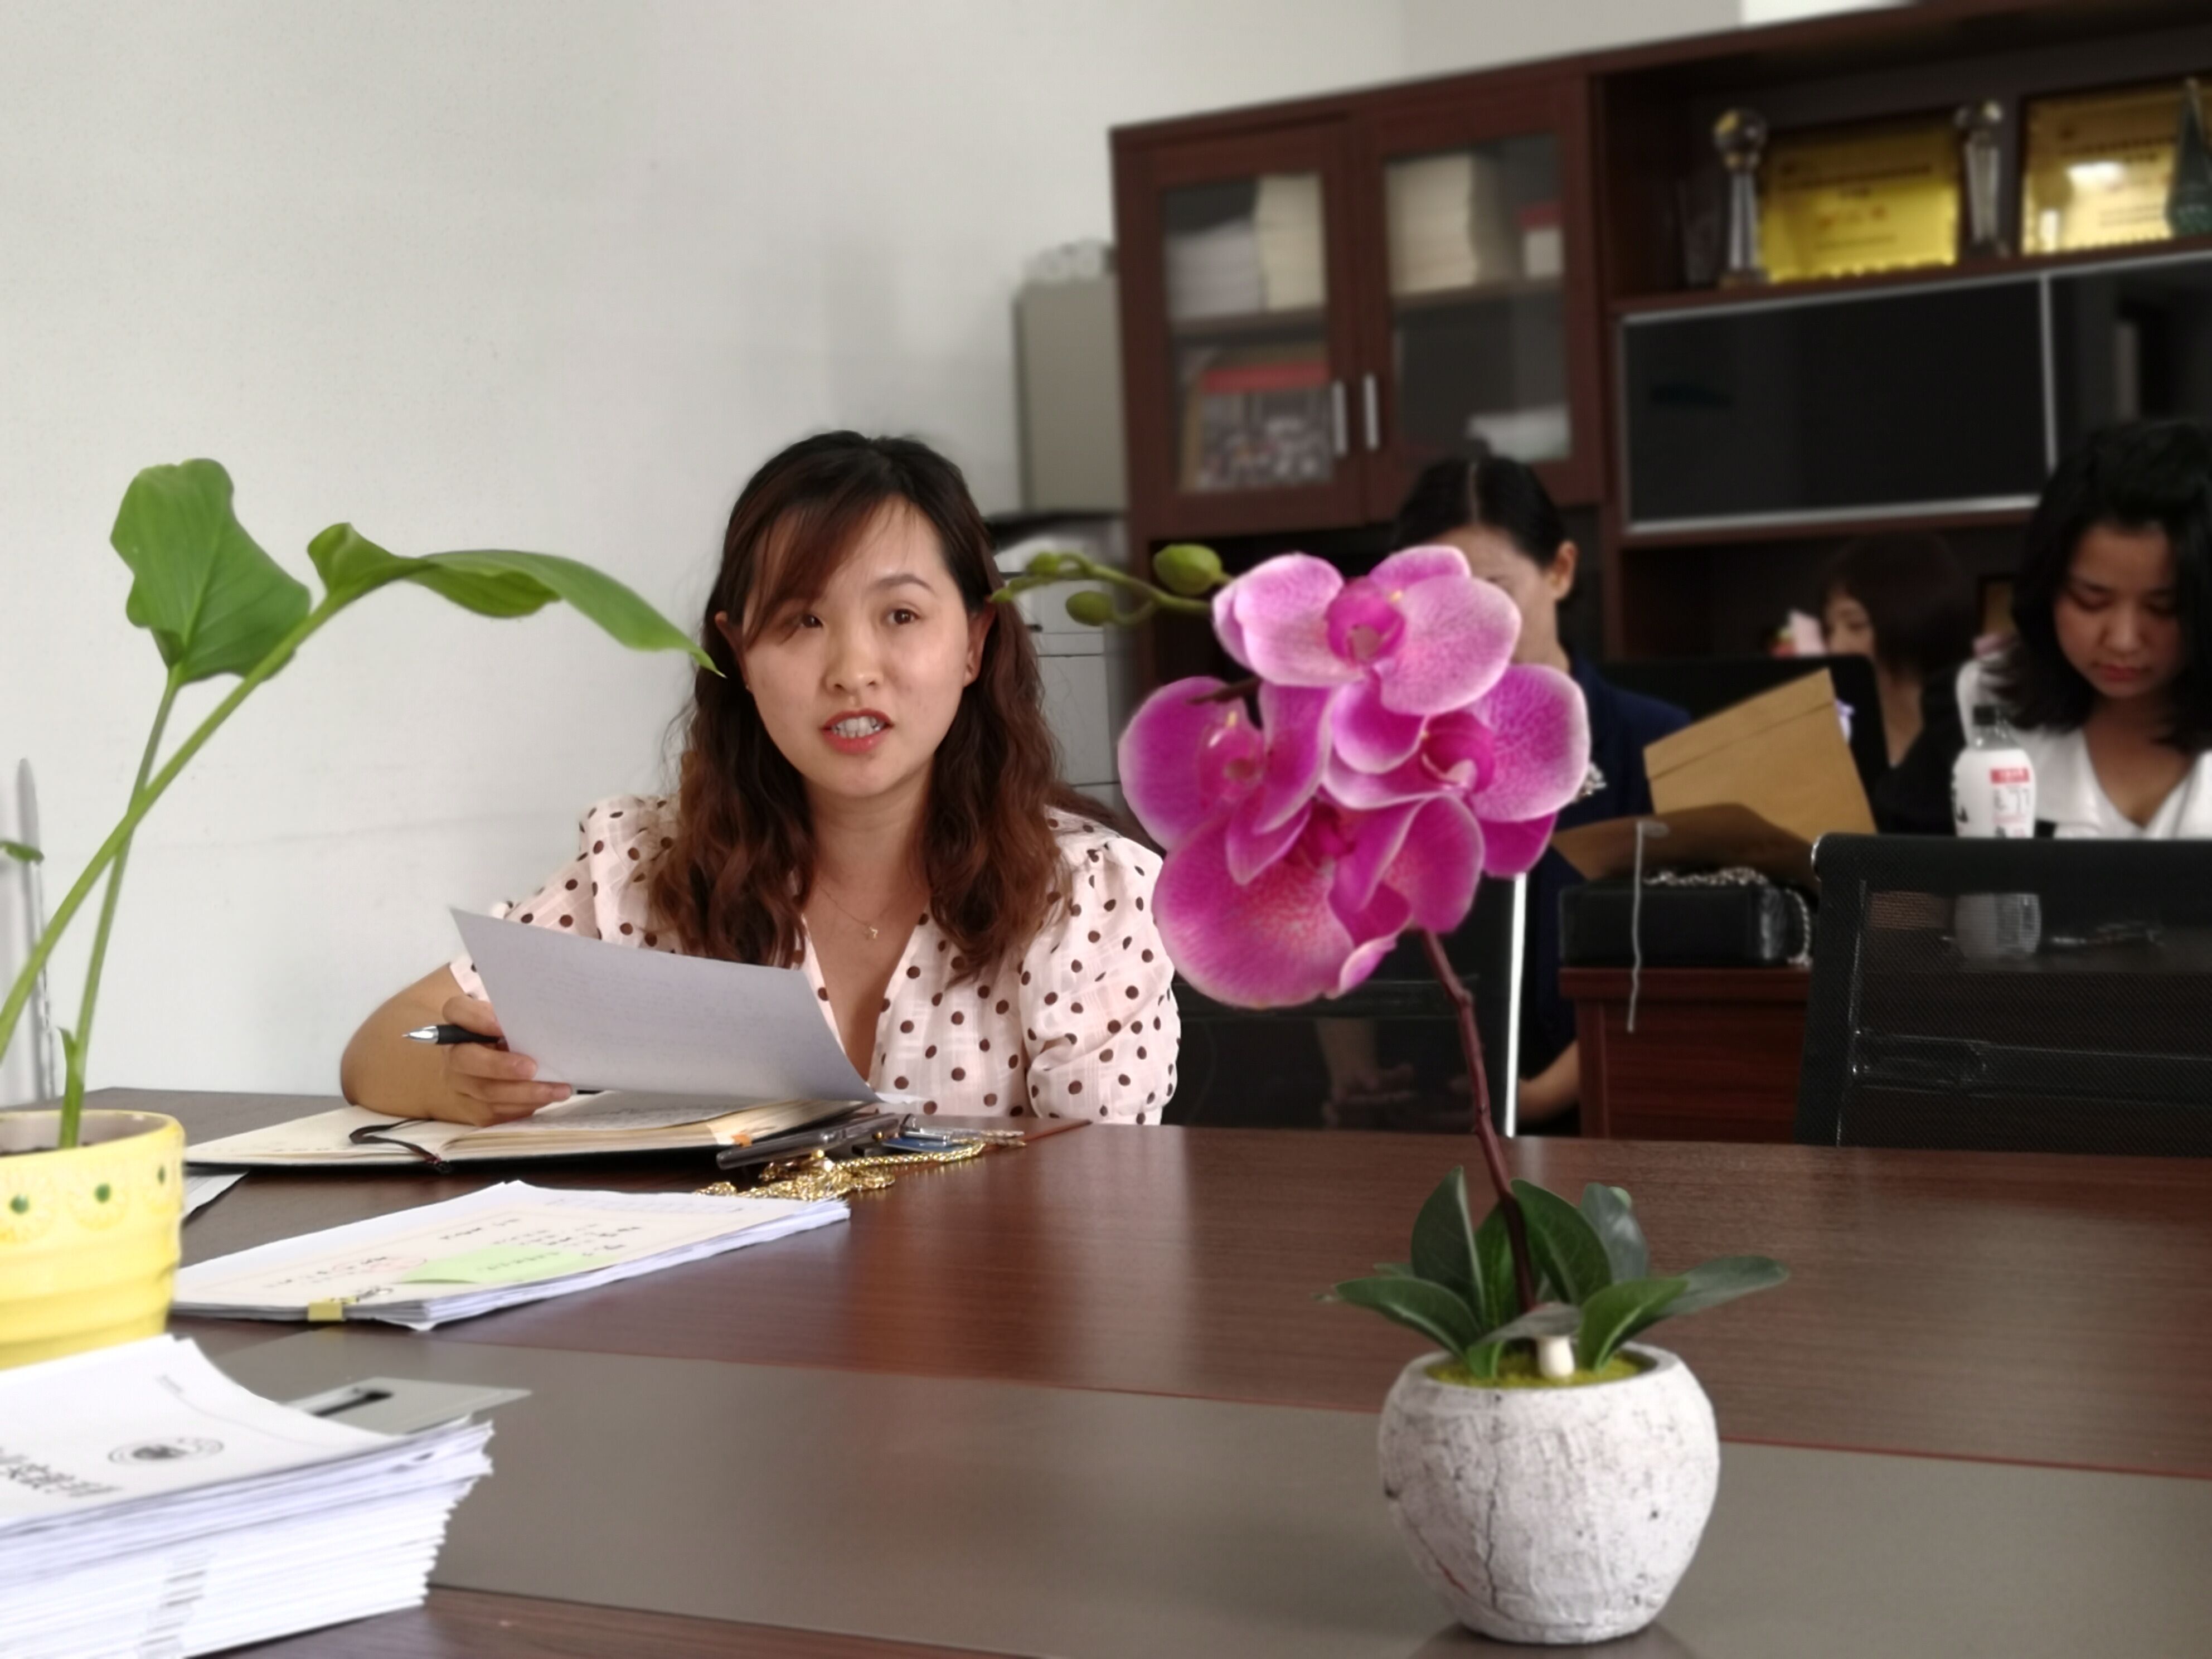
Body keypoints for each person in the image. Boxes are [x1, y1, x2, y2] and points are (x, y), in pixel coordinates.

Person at [342, 433, 1181, 1125]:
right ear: (740, 653)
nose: (853, 670)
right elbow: (383, 1045)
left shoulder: (1087, 899)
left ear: (974, 643)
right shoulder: (642, 871)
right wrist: (455, 1080)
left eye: (900, 615)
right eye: (803, 620)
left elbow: (1105, 1199)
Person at [1316, 454, 1689, 1131]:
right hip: (1413, 1126)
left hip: (1595, 1126)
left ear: (1560, 570)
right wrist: (1354, 1077)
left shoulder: (1657, 744)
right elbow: (1335, 917)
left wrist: (1535, 1097)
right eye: (1445, 608)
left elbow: (1682, 965)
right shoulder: (1373, 749)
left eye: (1494, 593)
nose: (1473, 631)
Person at [1888, 419, 2212, 838]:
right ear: (2047, 589)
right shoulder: (1978, 707)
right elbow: (1891, 873)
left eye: (2163, 607)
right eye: (2091, 600)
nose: (2123, 640)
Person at [1819, 532, 1977, 769]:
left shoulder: (1987, 737)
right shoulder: (1830, 747)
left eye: (1856, 624)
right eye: (1829, 630)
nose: (1835, 646)